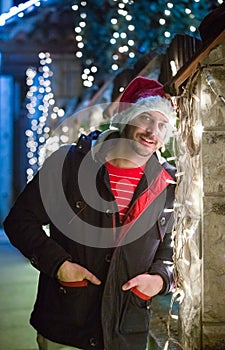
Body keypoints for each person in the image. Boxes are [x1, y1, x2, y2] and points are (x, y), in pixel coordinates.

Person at [3, 76, 177, 350]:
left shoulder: (168, 183)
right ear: (127, 118)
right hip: (65, 325)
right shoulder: (68, 164)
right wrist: (59, 266)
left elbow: (171, 245)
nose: (153, 131)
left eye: (162, 124)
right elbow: (20, 222)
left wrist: (159, 280)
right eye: (146, 118)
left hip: (126, 331)